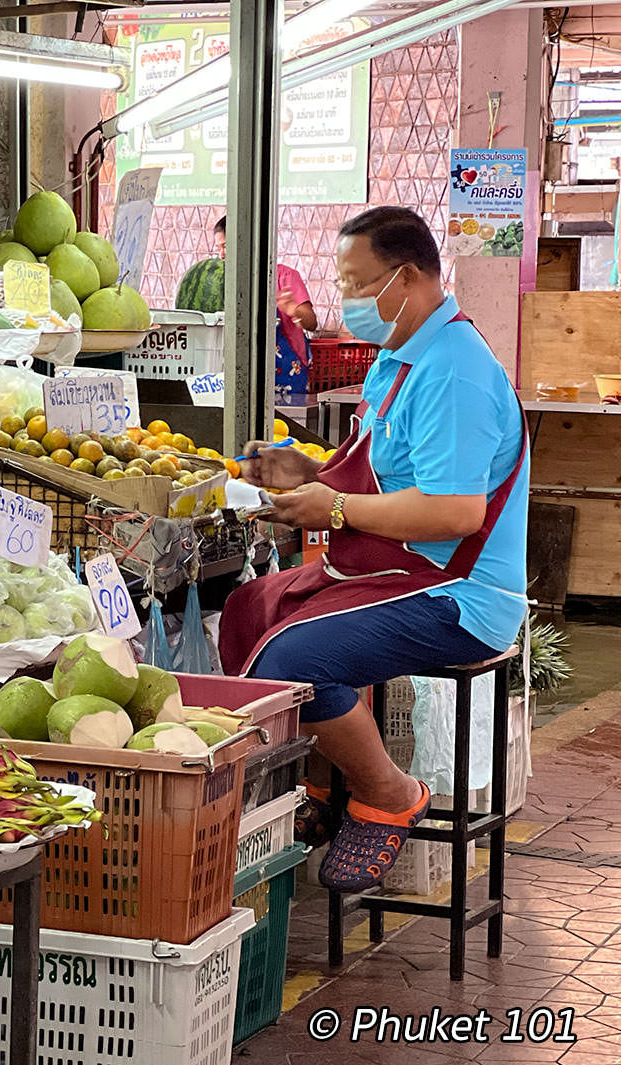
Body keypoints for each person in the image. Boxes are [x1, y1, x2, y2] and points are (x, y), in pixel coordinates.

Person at [218, 205, 529, 893]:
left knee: (292, 656)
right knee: (249, 608)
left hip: (459, 592)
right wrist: (303, 471)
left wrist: (333, 506)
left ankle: (388, 792)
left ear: (409, 276)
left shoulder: (454, 371)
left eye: (358, 285)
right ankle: (323, 783)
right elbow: (380, 470)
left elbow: (453, 510)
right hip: (401, 568)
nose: (347, 300)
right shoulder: (401, 358)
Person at [214, 216, 318, 399]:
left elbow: (311, 323)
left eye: (226, 247)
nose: (221, 255)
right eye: (219, 248)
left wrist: (294, 310)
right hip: (245, 375)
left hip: (288, 375)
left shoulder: (284, 276)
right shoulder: (224, 282)